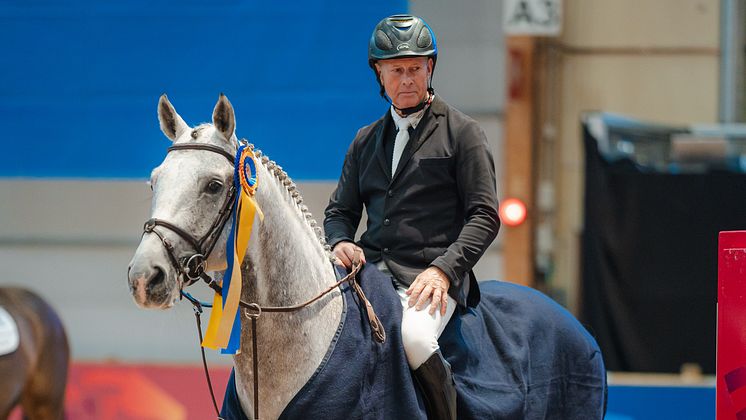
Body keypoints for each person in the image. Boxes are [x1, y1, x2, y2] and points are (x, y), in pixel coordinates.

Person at [324, 14, 499, 420]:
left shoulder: (463, 133)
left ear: (430, 69)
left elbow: (485, 216)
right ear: (380, 75)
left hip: (429, 279)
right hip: (371, 274)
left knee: (416, 339)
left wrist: (444, 270)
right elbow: (340, 211)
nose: (407, 80)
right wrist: (340, 241)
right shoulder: (364, 140)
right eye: (397, 70)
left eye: (415, 69)